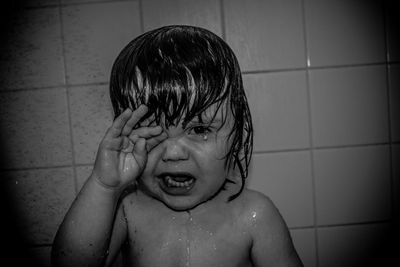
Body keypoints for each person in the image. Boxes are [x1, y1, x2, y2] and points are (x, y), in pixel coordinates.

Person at [51, 25, 303, 267]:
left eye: (200, 129)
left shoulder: (254, 215)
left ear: (236, 138)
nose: (172, 153)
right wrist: (104, 186)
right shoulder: (128, 210)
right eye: (153, 131)